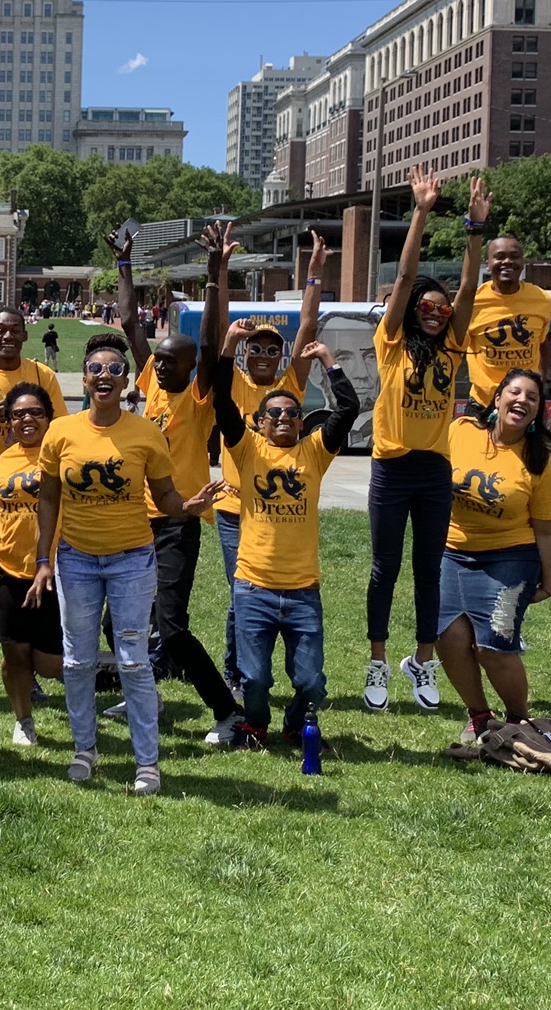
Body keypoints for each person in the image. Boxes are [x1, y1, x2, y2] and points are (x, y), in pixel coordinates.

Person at [27, 333, 222, 795]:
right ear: (85, 376)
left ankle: (147, 762)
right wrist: (43, 560)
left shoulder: (146, 433)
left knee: (134, 662)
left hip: (132, 560)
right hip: (75, 559)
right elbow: (50, 497)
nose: (104, 377)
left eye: (115, 370)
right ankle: (84, 749)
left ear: (127, 380)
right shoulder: (61, 433)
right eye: (96, 369)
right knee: (76, 661)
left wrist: (189, 506)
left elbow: (165, 497)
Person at [108, 221, 246, 746]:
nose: (159, 367)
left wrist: (215, 273)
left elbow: (211, 341)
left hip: (177, 522)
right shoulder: (151, 384)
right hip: (131, 520)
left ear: (193, 369)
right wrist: (124, 262)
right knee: (116, 621)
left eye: (171, 362)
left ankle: (227, 711)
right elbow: (127, 319)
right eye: (158, 361)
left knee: (171, 626)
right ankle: (147, 692)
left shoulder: (198, 396)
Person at [365, 167, 489, 714]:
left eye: (443, 309)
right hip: (392, 469)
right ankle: (376, 660)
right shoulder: (391, 341)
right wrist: (419, 212)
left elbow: (467, 286)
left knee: (428, 569)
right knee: (383, 567)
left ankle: (422, 660)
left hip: (434, 472)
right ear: (413, 308)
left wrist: (474, 230)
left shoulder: (454, 345)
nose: (438, 313)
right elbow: (410, 271)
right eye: (428, 306)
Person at [211, 321, 360, 747]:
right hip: (253, 586)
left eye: (292, 413)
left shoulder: (314, 452)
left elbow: (347, 410)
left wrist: (330, 363)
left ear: (301, 422)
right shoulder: (248, 449)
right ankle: (255, 725)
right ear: (258, 423)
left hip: (302, 590)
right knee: (253, 678)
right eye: (273, 414)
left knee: (311, 682)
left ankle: (296, 725)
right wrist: (228, 347)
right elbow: (222, 400)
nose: (282, 419)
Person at [206, 225, 327, 695]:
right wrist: (221, 267)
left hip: (278, 513)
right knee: (243, 598)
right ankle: (238, 676)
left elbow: (309, 330)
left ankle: (260, 673)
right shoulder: (233, 386)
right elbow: (219, 336)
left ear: (281, 357)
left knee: (258, 599)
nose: (261, 354)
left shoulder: (287, 391)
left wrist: (314, 275)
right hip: (236, 510)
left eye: (270, 349)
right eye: (254, 347)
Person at [436, 368, 551, 746]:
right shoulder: (461, 432)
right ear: (497, 398)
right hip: (453, 553)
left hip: (511, 557)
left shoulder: (540, 461)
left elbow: (547, 528)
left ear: (538, 411)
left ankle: (519, 721)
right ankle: (479, 716)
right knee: (448, 637)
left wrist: (549, 581)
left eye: (532, 398)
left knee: (493, 644)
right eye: (515, 392)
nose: (522, 400)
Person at [0, 382, 65, 744]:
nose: (27, 419)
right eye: (18, 414)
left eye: (35, 412)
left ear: (50, 418)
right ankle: (24, 720)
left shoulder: (62, 454)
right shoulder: (2, 458)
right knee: (14, 651)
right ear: (8, 420)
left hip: (53, 570)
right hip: (5, 568)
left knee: (50, 664)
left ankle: (110, 672)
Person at [463, 235, 551, 408]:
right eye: (500, 256)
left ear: (523, 262)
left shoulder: (542, 300)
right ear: (488, 263)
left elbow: (543, 342)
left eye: (514, 256)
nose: (507, 261)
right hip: (482, 403)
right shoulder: (472, 302)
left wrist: (540, 382)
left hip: (524, 404)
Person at [0, 307, 64, 421]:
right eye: (0, 331)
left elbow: (59, 424)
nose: (8, 336)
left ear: (25, 336)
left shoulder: (43, 374)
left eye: (15, 331)